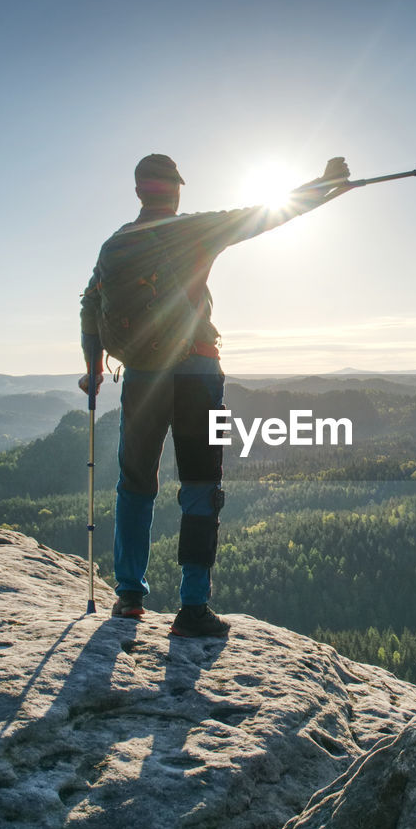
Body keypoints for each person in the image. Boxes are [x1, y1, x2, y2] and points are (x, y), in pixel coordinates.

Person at [79, 152, 352, 637]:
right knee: (203, 484)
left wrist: (93, 367)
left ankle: (128, 597)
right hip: (200, 370)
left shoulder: (114, 245)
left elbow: (90, 305)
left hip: (142, 373)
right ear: (176, 190)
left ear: (140, 192)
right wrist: (326, 186)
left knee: (134, 482)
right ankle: (192, 608)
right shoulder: (194, 229)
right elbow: (264, 214)